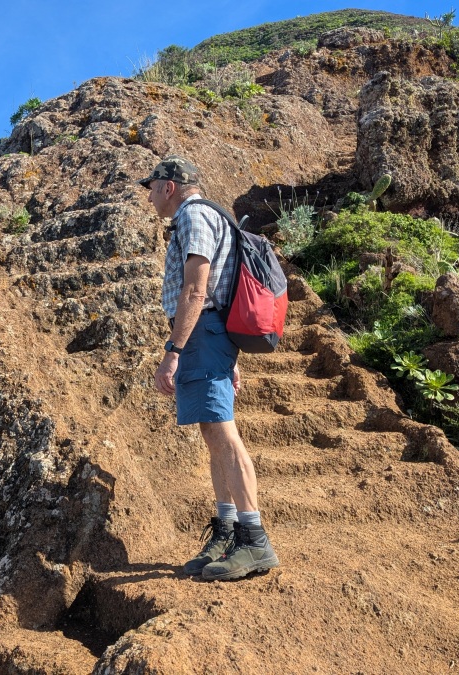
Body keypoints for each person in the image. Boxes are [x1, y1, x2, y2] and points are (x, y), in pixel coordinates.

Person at [138, 156, 279, 581]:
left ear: (169, 186)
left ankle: (254, 541)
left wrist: (173, 350)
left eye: (152, 186)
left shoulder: (194, 216)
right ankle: (227, 530)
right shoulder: (209, 215)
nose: (149, 195)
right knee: (212, 432)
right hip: (212, 336)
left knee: (222, 432)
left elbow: (197, 290)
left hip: (202, 333)